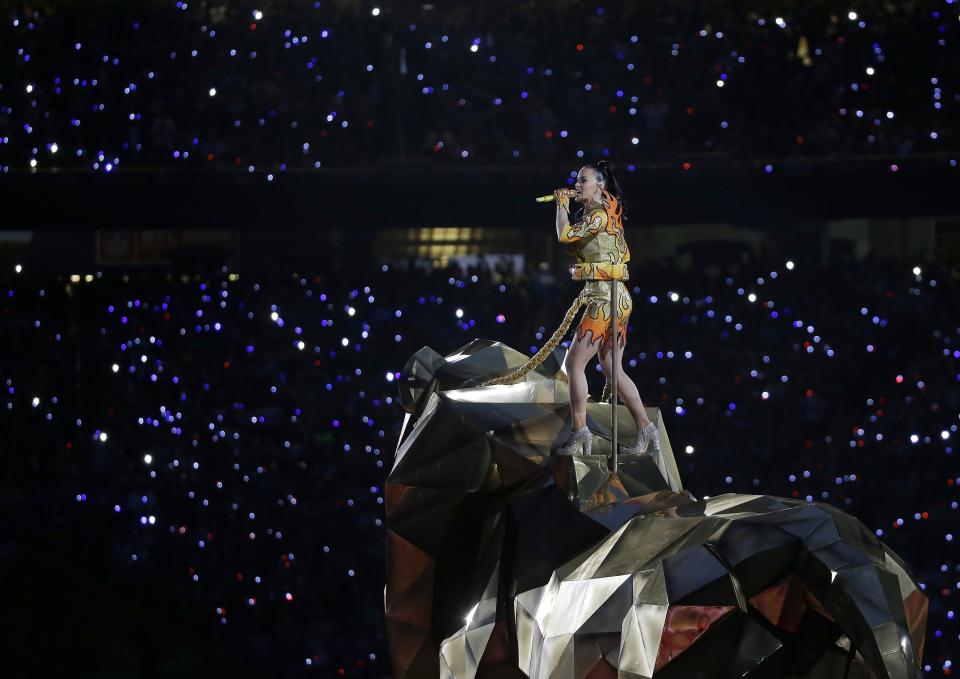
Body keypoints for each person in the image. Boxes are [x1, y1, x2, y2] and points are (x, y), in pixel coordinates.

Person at [553, 161, 660, 457]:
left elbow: (565, 237)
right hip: (618, 298)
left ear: (599, 186)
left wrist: (561, 206)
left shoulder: (599, 216)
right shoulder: (601, 213)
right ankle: (645, 429)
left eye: (582, 180)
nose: (577, 185)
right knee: (613, 368)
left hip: (605, 299)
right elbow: (575, 248)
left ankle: (579, 434)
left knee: (573, 364)